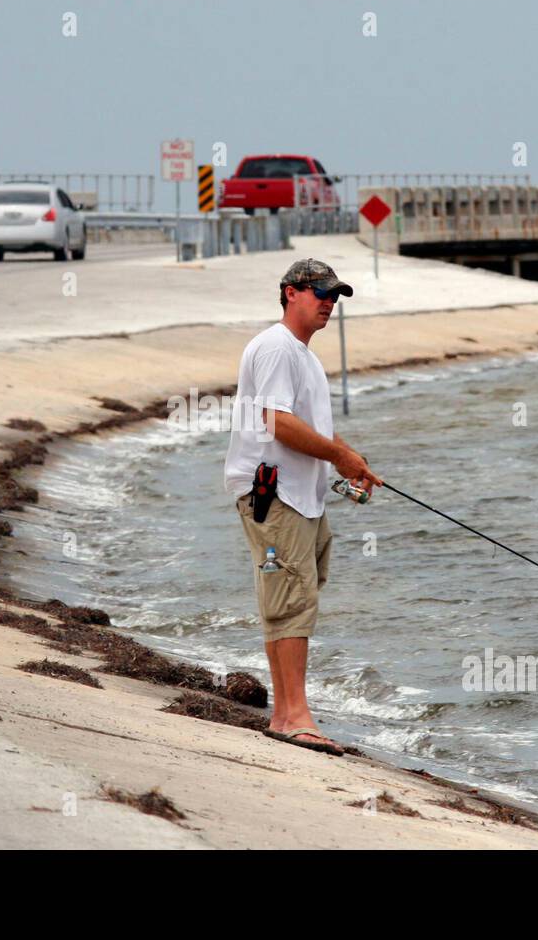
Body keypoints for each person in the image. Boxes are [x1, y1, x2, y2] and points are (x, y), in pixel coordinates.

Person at [224, 258, 382, 755]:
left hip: (302, 495)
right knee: (291, 601)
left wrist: (348, 459)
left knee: (293, 598)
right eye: (320, 292)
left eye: (334, 296)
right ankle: (294, 717)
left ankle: (285, 714)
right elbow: (278, 423)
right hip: (274, 494)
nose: (328, 303)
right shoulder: (275, 347)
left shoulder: (305, 356)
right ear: (290, 292)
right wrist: (338, 454)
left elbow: (307, 422)